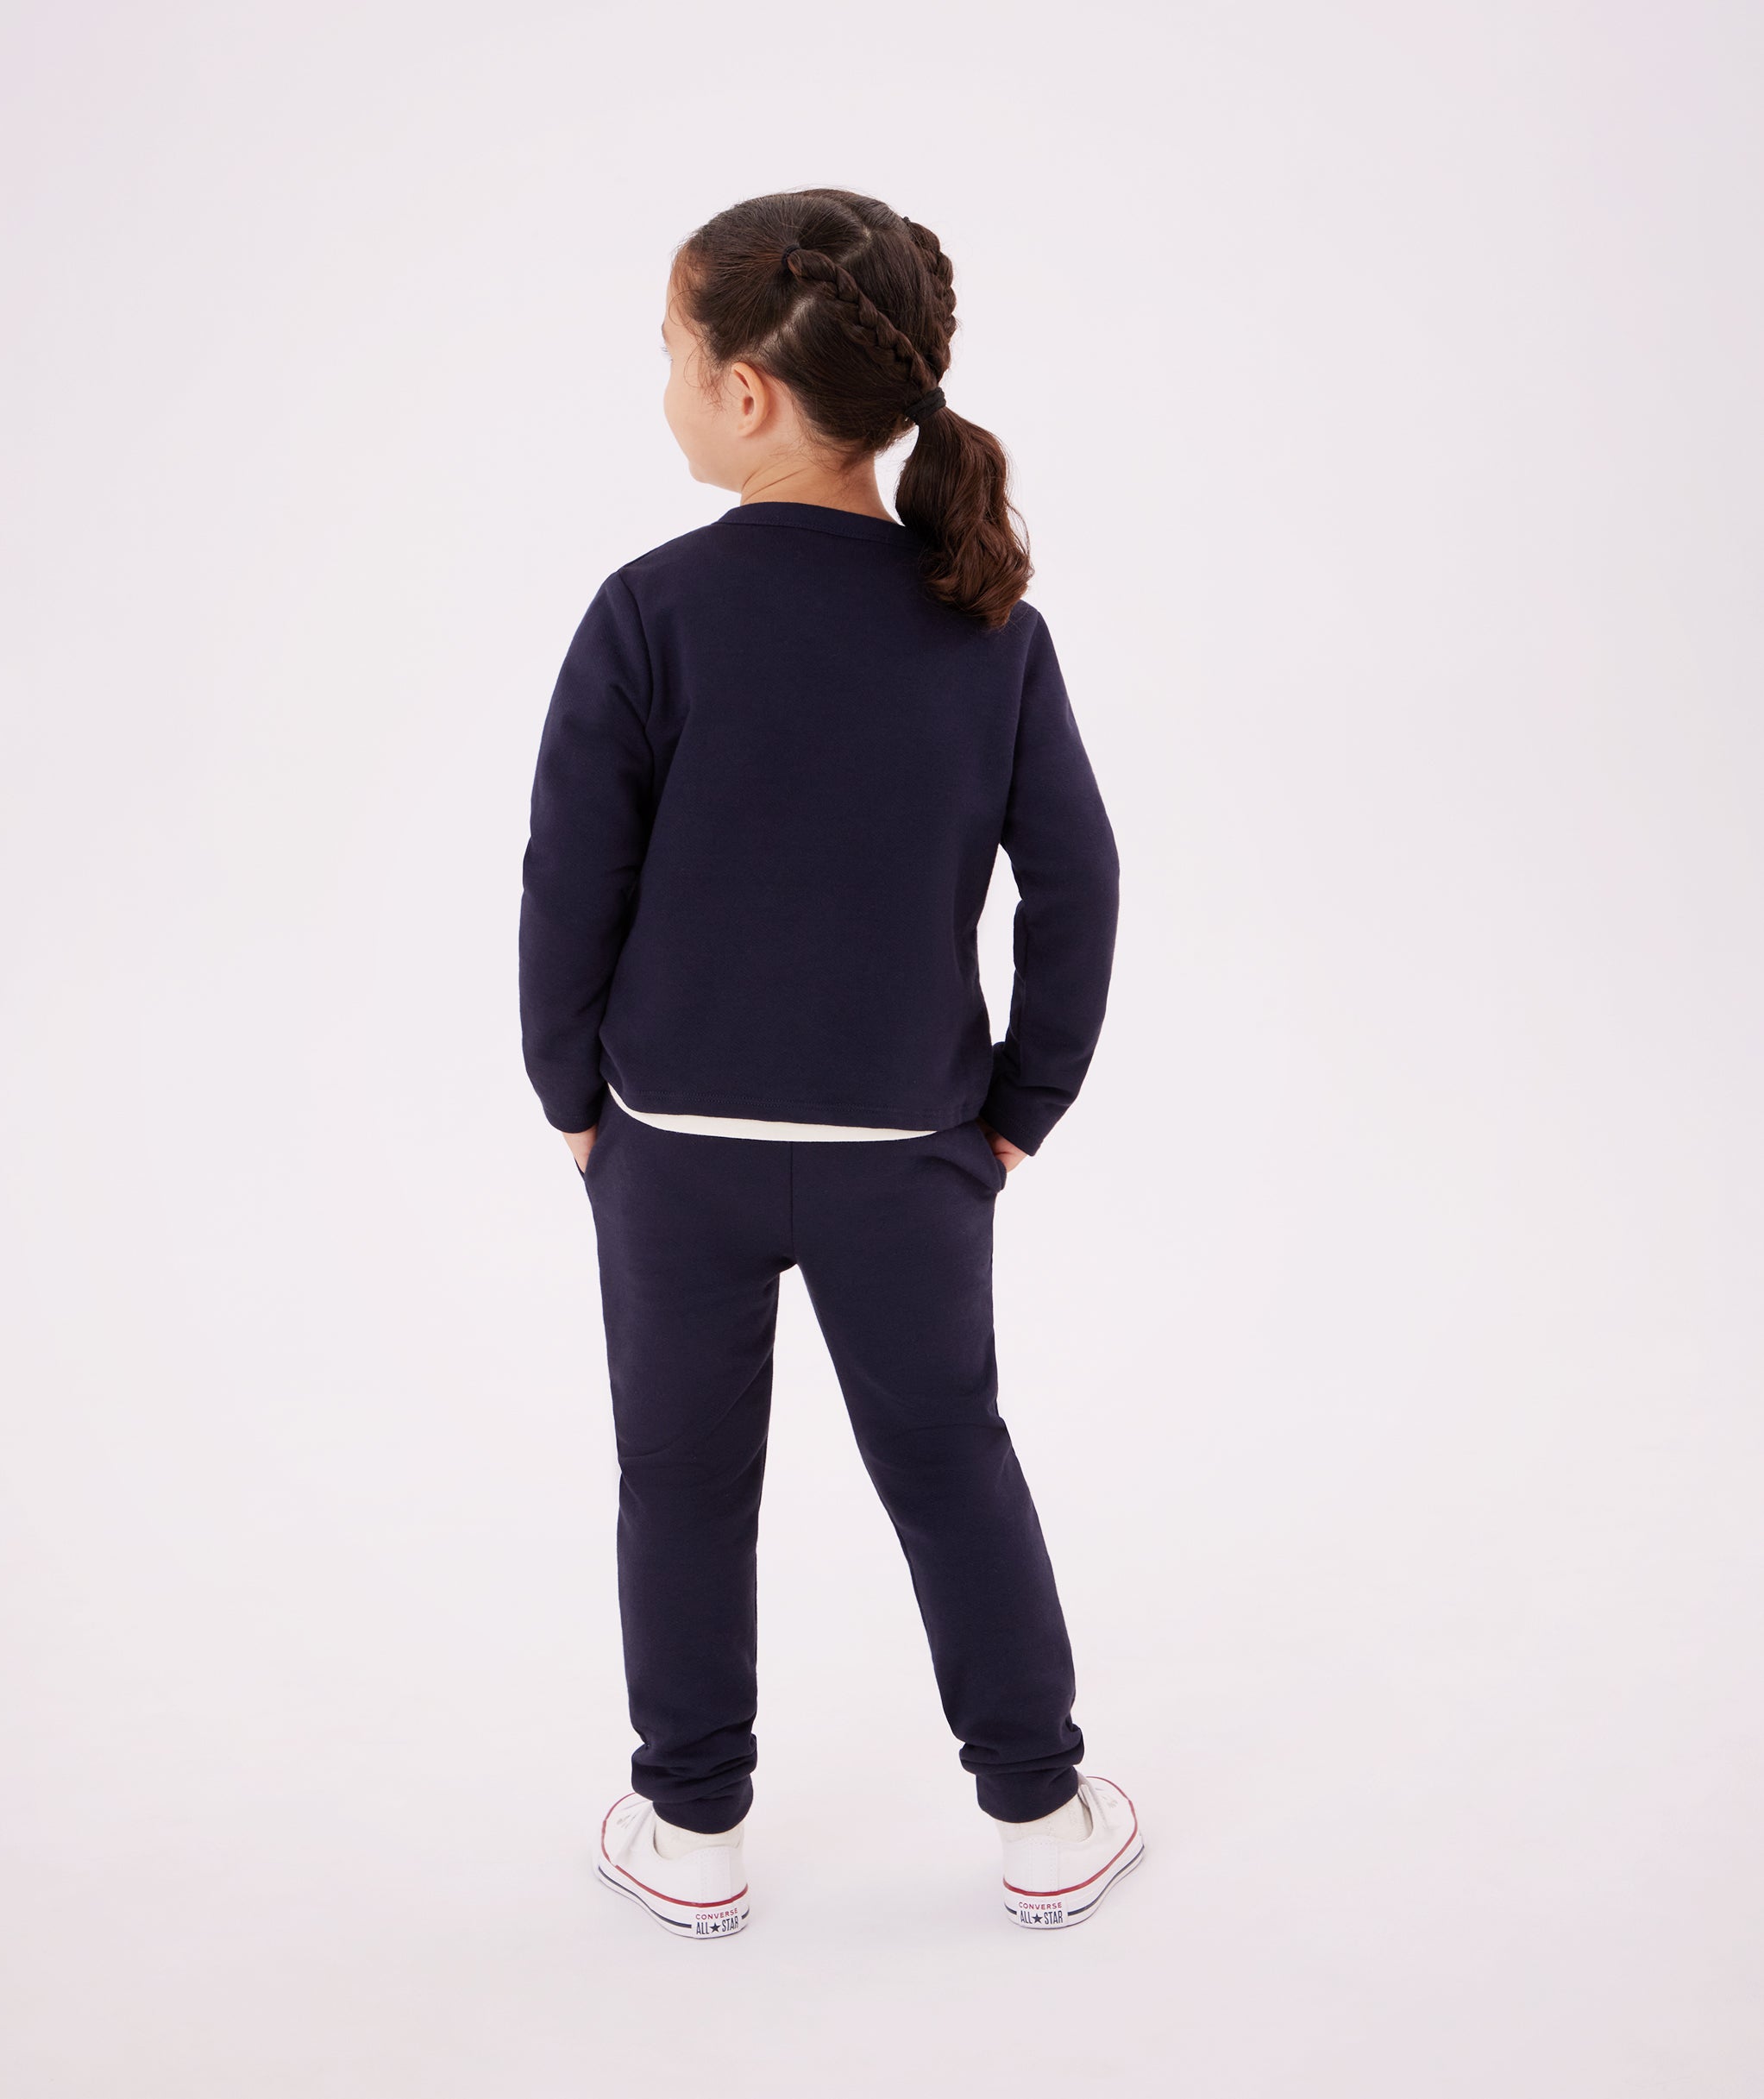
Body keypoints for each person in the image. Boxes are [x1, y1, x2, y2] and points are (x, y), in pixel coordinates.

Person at [519, 188, 1135, 1938]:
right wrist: (1019, 1106)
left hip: (671, 1146)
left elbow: (569, 877)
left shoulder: (648, 611)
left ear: (746, 393)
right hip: (907, 1153)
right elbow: (1077, 880)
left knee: (680, 1480)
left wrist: (571, 1095)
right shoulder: (990, 627)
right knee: (948, 1461)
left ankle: (690, 1831)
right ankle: (1041, 1814)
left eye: (670, 350)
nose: (664, 381)